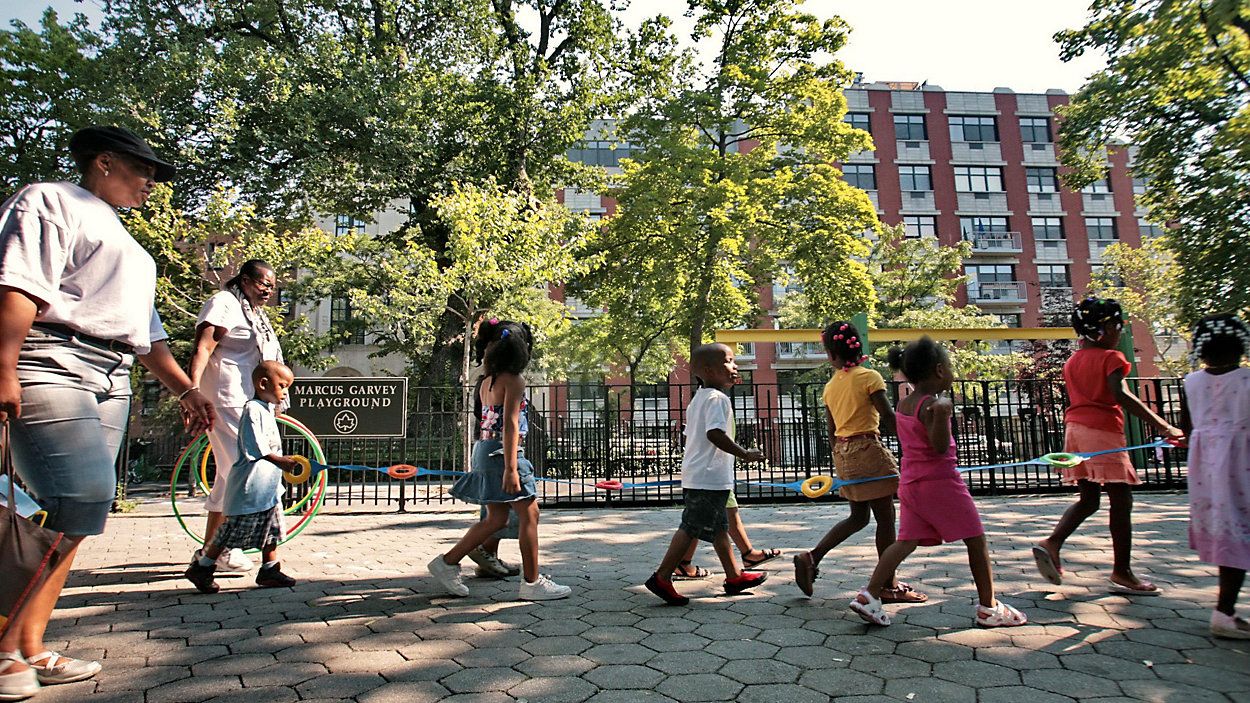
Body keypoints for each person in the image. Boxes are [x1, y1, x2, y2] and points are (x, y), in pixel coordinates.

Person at [0, 126, 215, 699]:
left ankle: (31, 648)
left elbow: (147, 337)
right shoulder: (50, 200)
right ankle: (2, 650)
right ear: (102, 162)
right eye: (141, 171)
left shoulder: (126, 240)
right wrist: (2, 364)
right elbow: (19, 284)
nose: (151, 184)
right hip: (50, 360)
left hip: (113, 374)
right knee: (81, 496)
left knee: (75, 518)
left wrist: (184, 391)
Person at [849, 337, 1026, 628]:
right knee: (976, 538)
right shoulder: (931, 405)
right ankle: (989, 607)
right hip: (940, 482)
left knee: (905, 541)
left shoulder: (905, 402)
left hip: (911, 483)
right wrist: (943, 414)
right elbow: (939, 446)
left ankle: (869, 595)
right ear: (941, 370)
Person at [1033, 297, 1184, 595]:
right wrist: (1163, 425)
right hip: (1102, 433)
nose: (1120, 331)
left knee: (1089, 499)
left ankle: (1051, 543)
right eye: (1118, 325)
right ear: (1102, 329)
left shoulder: (1073, 360)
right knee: (1121, 501)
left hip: (1075, 430)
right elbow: (1121, 395)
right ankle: (1122, 571)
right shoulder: (1111, 358)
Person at [427, 319, 571, 601]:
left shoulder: (486, 381)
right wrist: (510, 467)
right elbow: (510, 424)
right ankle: (532, 583)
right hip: (502, 454)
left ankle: (447, 562)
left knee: (496, 518)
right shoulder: (515, 381)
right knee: (530, 514)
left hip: (483, 449)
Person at [793, 322, 926, 604]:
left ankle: (811, 557)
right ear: (858, 346)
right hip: (867, 448)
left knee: (858, 517)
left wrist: (841, 455)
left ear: (830, 354)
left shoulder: (830, 386)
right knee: (885, 517)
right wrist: (913, 442)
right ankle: (888, 584)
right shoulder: (869, 377)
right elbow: (888, 418)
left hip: (843, 451)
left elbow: (830, 431)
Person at [644, 343, 768, 605]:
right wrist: (745, 453)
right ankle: (662, 577)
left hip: (701, 475)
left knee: (721, 528)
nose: (735, 367)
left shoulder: (698, 398)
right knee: (690, 527)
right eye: (730, 361)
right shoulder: (717, 399)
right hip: (708, 477)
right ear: (709, 370)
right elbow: (714, 434)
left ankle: (734, 576)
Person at [187, 259, 284, 574]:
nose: (269, 290)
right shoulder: (224, 303)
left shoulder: (256, 315)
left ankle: (208, 552)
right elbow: (202, 348)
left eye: (272, 285)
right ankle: (232, 551)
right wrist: (191, 392)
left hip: (252, 402)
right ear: (244, 280)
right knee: (251, 475)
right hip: (228, 399)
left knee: (228, 478)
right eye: (263, 284)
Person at [184, 361, 299, 594]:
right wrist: (281, 461)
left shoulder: (267, 409)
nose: (285, 392)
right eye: (282, 385)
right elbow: (253, 446)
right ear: (263, 383)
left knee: (272, 527)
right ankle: (203, 566)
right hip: (251, 484)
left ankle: (270, 568)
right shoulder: (252, 409)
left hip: (268, 485)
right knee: (232, 528)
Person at [1179, 314, 1250, 639]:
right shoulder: (1246, 380)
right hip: (1241, 464)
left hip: (1207, 468)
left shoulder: (1191, 383)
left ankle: (1225, 608)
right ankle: (1224, 612)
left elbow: (1189, 427)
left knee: (1230, 529)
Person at [673, 493, 781, 580]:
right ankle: (672, 570)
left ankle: (742, 563)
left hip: (711, 476)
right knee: (703, 519)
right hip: (708, 476)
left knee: (713, 514)